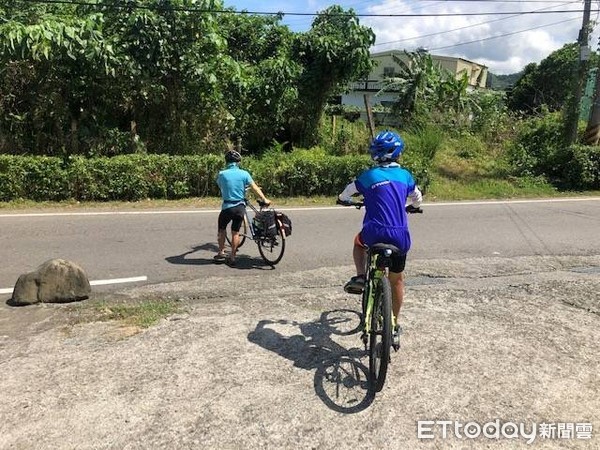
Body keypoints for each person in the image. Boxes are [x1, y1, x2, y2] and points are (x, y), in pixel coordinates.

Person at [338, 130, 422, 349]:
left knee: (358, 242)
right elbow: (417, 198)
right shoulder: (405, 176)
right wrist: (412, 207)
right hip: (400, 237)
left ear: (375, 154)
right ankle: (393, 324)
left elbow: (345, 194)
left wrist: (346, 201)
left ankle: (359, 277)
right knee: (397, 280)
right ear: (398, 153)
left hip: (374, 233)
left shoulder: (368, 176)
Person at [215, 149, 270, 266]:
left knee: (222, 229)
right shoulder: (245, 174)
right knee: (235, 232)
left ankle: (220, 252)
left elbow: (221, 186)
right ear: (238, 162)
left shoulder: (221, 174)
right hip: (240, 207)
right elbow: (255, 188)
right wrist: (264, 199)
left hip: (227, 207)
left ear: (227, 162)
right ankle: (233, 257)